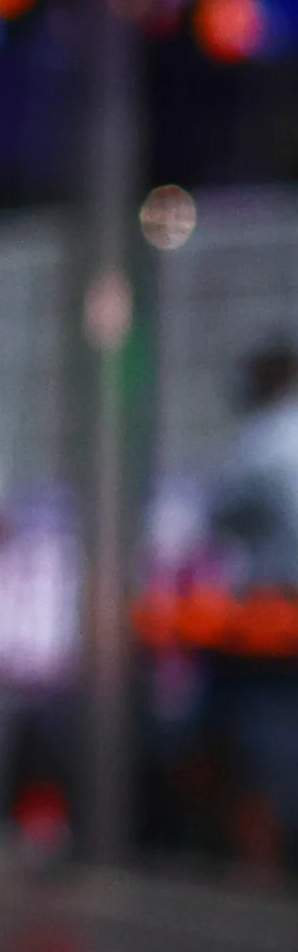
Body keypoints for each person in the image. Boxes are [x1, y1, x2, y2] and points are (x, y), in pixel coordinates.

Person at [202, 341, 298, 869]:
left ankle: (258, 867)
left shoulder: (267, 440)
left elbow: (219, 513)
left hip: (275, 622)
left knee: (259, 750)